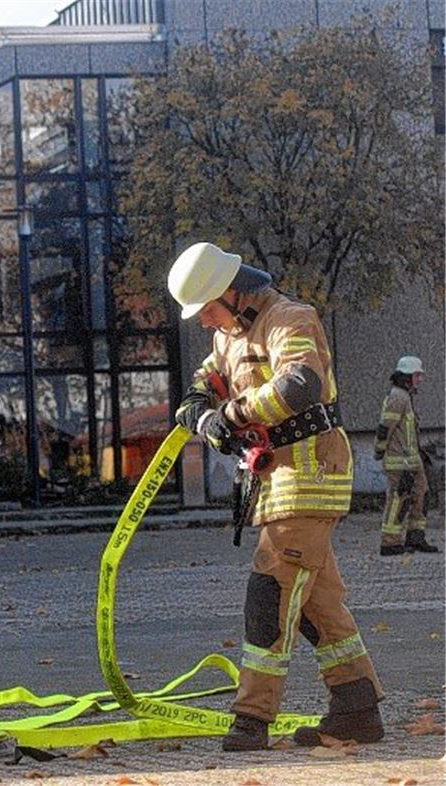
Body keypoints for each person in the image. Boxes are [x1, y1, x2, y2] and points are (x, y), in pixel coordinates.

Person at [169, 242, 384, 751]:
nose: (204, 322)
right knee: (316, 604)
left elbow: (301, 383)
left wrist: (233, 415)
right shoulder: (229, 335)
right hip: (279, 484)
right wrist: (201, 411)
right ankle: (357, 707)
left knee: (269, 595)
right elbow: (203, 384)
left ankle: (252, 717)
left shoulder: (290, 319)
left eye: (207, 310)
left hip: (310, 476)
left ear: (232, 292)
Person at [375, 356, 438, 555]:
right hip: (399, 461)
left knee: (421, 494)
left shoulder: (406, 396)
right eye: (417, 375)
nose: (420, 379)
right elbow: (385, 427)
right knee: (399, 499)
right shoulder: (398, 397)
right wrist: (379, 450)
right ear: (406, 376)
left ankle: (416, 537)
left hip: (412, 460)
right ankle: (390, 543)